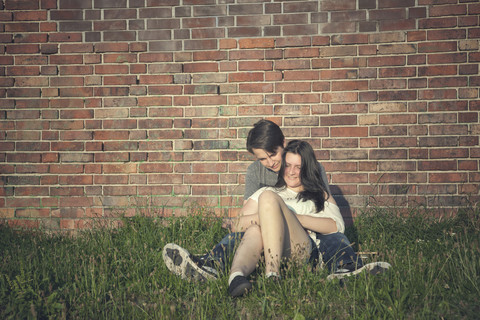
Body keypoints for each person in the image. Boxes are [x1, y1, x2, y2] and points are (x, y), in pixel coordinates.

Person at [162, 120, 390, 283]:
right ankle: (212, 266)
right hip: (266, 239)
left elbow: (333, 224)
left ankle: (345, 269)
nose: (272, 163)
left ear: (284, 145)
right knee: (247, 232)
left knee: (333, 236)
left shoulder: (313, 177)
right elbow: (240, 222)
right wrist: (271, 216)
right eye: (263, 158)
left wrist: (287, 216)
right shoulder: (260, 181)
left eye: (274, 154)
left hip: (302, 243)